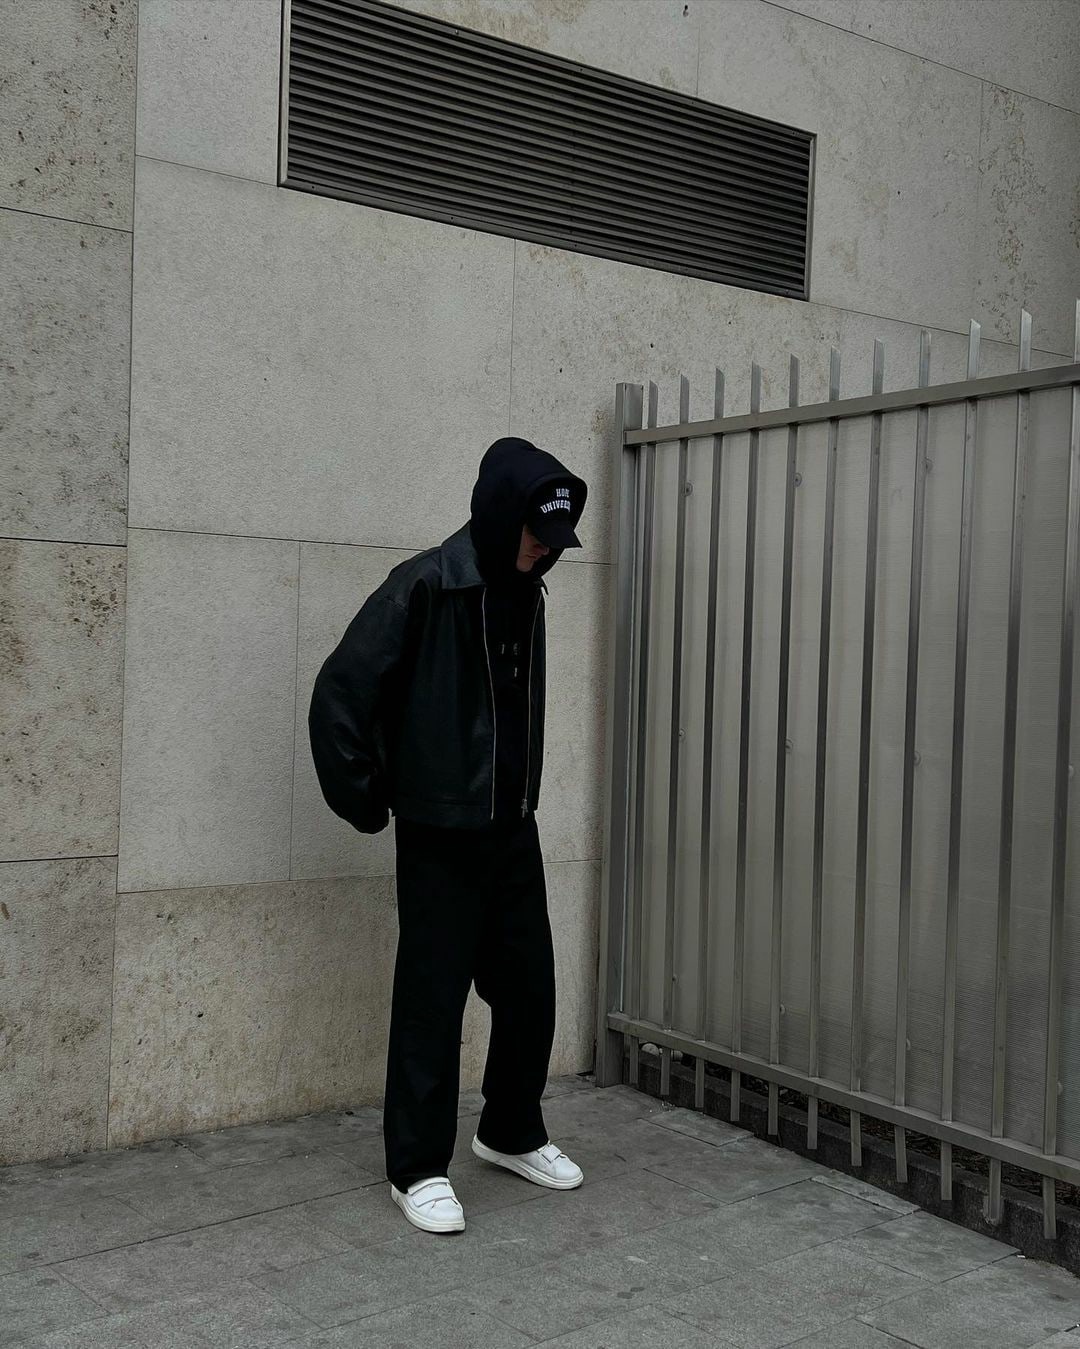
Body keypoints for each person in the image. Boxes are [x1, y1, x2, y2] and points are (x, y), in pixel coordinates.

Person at [308, 436, 589, 1234]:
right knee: (432, 1002)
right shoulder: (426, 585)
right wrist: (371, 801)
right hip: (440, 832)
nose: (543, 549)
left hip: (511, 828)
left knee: (530, 990)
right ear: (499, 515)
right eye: (535, 533)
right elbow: (339, 695)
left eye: (554, 539)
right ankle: (416, 1167)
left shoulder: (527, 589)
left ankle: (510, 1130)